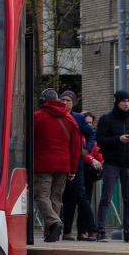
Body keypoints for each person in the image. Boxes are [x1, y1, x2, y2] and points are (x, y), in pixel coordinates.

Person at [32, 88, 83, 242]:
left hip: (43, 164)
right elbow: (76, 146)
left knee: (41, 195)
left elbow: (28, 139)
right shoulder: (69, 119)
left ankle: (54, 223)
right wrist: (73, 168)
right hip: (63, 164)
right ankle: (51, 233)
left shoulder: (37, 116)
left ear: (42, 101)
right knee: (56, 197)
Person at [95, 90, 129, 242]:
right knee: (106, 198)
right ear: (117, 102)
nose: (126, 103)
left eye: (128, 101)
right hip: (111, 164)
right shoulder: (106, 119)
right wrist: (118, 140)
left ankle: (128, 232)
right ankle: (101, 230)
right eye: (123, 101)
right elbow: (100, 140)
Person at [59, 91, 98, 240]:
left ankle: (90, 230)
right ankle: (67, 231)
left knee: (81, 196)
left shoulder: (79, 118)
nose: (64, 102)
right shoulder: (58, 116)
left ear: (73, 103)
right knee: (67, 198)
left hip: (77, 163)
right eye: (62, 99)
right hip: (61, 161)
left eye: (68, 100)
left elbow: (91, 134)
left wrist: (87, 149)